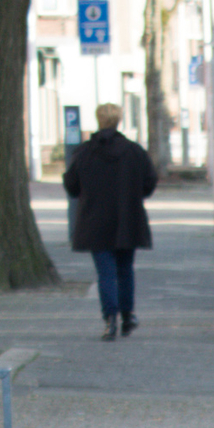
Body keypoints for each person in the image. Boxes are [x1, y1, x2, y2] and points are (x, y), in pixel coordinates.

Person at [62, 102, 156, 341]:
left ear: (98, 119)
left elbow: (71, 184)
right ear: (119, 120)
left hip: (96, 220)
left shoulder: (85, 152)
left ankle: (110, 319)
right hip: (128, 218)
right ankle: (129, 314)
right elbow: (150, 180)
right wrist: (135, 195)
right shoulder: (134, 151)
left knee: (105, 272)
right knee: (125, 269)